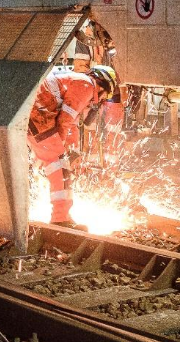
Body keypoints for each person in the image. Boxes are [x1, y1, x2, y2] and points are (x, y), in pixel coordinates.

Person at [26, 42, 118, 226]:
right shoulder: (87, 85)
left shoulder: (76, 82)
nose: (99, 101)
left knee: (58, 163)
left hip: (37, 112)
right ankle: (60, 218)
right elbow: (64, 121)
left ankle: (60, 213)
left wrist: (70, 149)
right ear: (102, 86)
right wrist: (61, 153)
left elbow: (72, 125)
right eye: (104, 96)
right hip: (39, 113)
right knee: (58, 165)